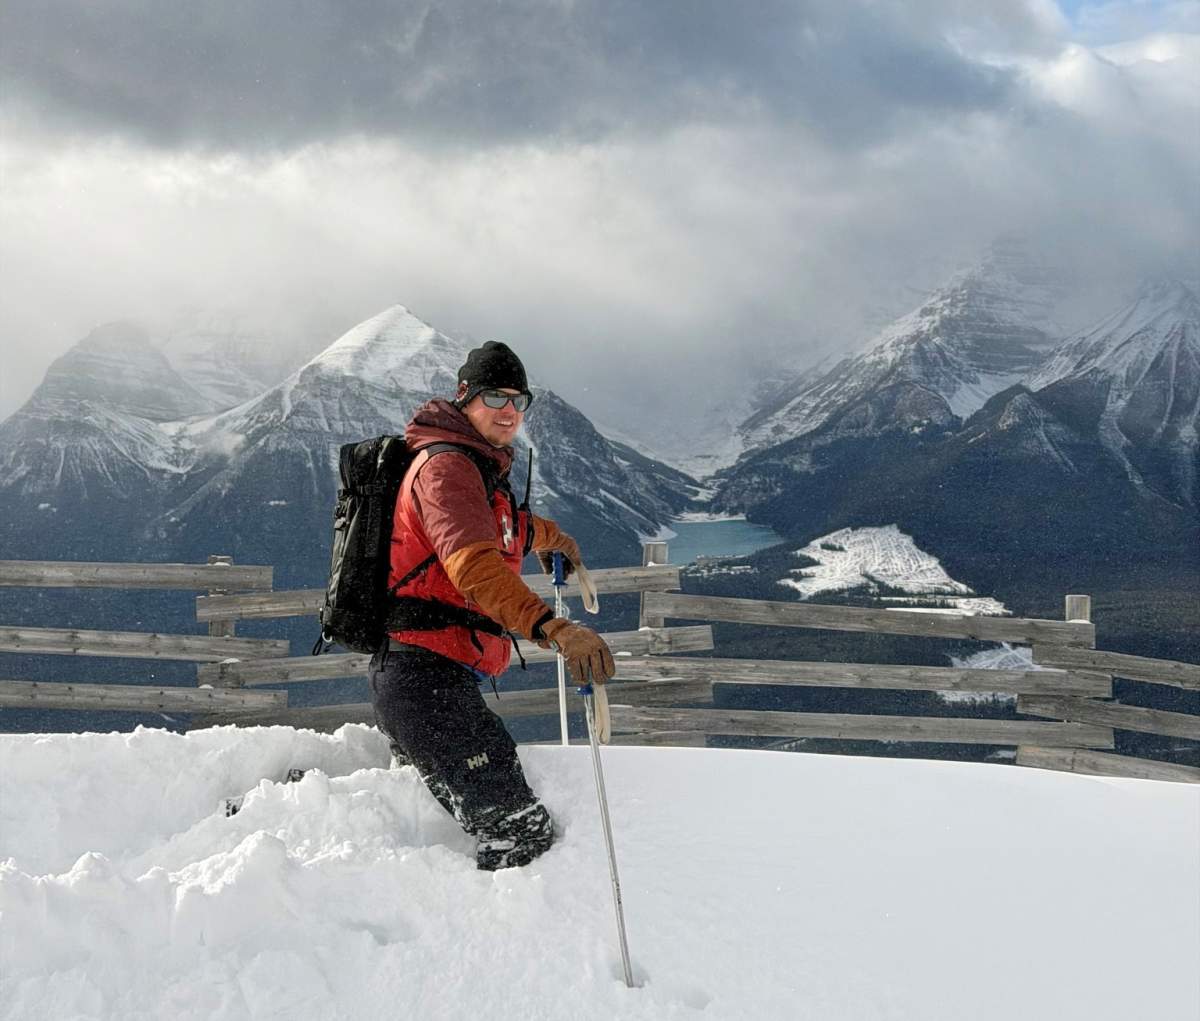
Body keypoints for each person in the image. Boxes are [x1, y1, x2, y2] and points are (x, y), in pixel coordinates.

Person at [368, 341, 616, 870]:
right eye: (494, 397)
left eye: (518, 400)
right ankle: (493, 943)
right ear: (465, 399)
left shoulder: (476, 469)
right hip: (423, 679)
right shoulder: (447, 469)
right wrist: (554, 628)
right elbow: (474, 567)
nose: (509, 411)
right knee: (517, 834)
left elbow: (506, 531)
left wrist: (555, 539)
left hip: (428, 677)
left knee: (480, 826)